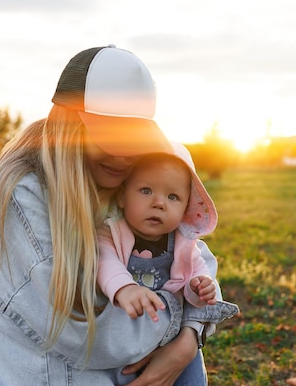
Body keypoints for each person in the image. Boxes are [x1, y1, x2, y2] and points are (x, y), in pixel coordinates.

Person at [0, 45, 235, 385]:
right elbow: (81, 332)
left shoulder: (114, 183)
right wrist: (180, 318)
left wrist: (190, 340)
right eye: (107, 136)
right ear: (69, 124)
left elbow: (194, 254)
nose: (123, 155)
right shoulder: (19, 199)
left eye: (132, 138)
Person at [97, 141, 239, 385]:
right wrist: (124, 288)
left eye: (173, 196)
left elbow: (197, 279)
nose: (159, 203)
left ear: (186, 207)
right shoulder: (111, 233)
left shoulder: (185, 245)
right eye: (145, 190)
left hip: (173, 340)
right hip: (128, 341)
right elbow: (104, 262)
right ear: (122, 196)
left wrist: (200, 287)